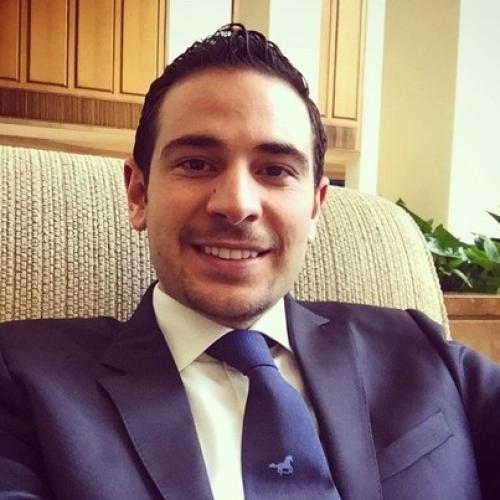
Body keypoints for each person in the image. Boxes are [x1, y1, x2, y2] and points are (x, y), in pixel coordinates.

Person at [0, 24, 499, 500]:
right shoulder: (24, 378)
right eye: (196, 163)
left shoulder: (420, 348)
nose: (236, 204)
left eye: (275, 170)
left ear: (315, 207)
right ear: (139, 194)